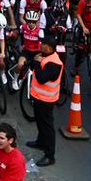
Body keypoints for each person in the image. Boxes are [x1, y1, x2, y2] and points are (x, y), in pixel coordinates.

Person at [25, 36, 62, 167]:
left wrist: (36, 63)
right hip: (38, 97)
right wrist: (33, 61)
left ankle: (50, 155)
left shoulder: (55, 63)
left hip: (47, 100)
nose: (41, 45)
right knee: (40, 121)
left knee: (47, 127)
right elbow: (32, 63)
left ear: (50, 48)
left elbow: (41, 78)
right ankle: (41, 142)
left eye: (44, 44)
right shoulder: (43, 55)